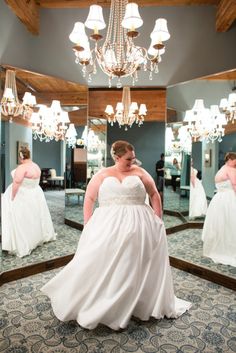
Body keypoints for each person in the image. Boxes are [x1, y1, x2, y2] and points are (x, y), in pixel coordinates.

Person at [41, 140, 191, 330]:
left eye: (133, 158)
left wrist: (158, 218)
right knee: (103, 259)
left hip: (140, 222)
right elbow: (89, 197)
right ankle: (104, 301)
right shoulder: (103, 174)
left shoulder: (140, 173)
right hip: (108, 223)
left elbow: (154, 194)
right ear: (117, 157)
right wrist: (88, 223)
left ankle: (137, 302)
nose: (132, 162)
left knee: (136, 262)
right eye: (128, 159)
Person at [2, 147, 56, 257]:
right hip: (35, 194)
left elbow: (16, 183)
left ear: (21, 156)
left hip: (22, 195)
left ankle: (22, 242)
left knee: (22, 218)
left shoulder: (22, 168)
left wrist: (12, 197)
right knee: (34, 217)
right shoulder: (36, 166)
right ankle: (36, 237)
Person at [202, 152, 236, 266]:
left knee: (221, 223)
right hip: (229, 199)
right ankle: (227, 245)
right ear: (230, 159)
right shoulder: (231, 169)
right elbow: (235, 185)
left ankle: (219, 243)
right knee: (230, 223)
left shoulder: (222, 169)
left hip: (218, 199)